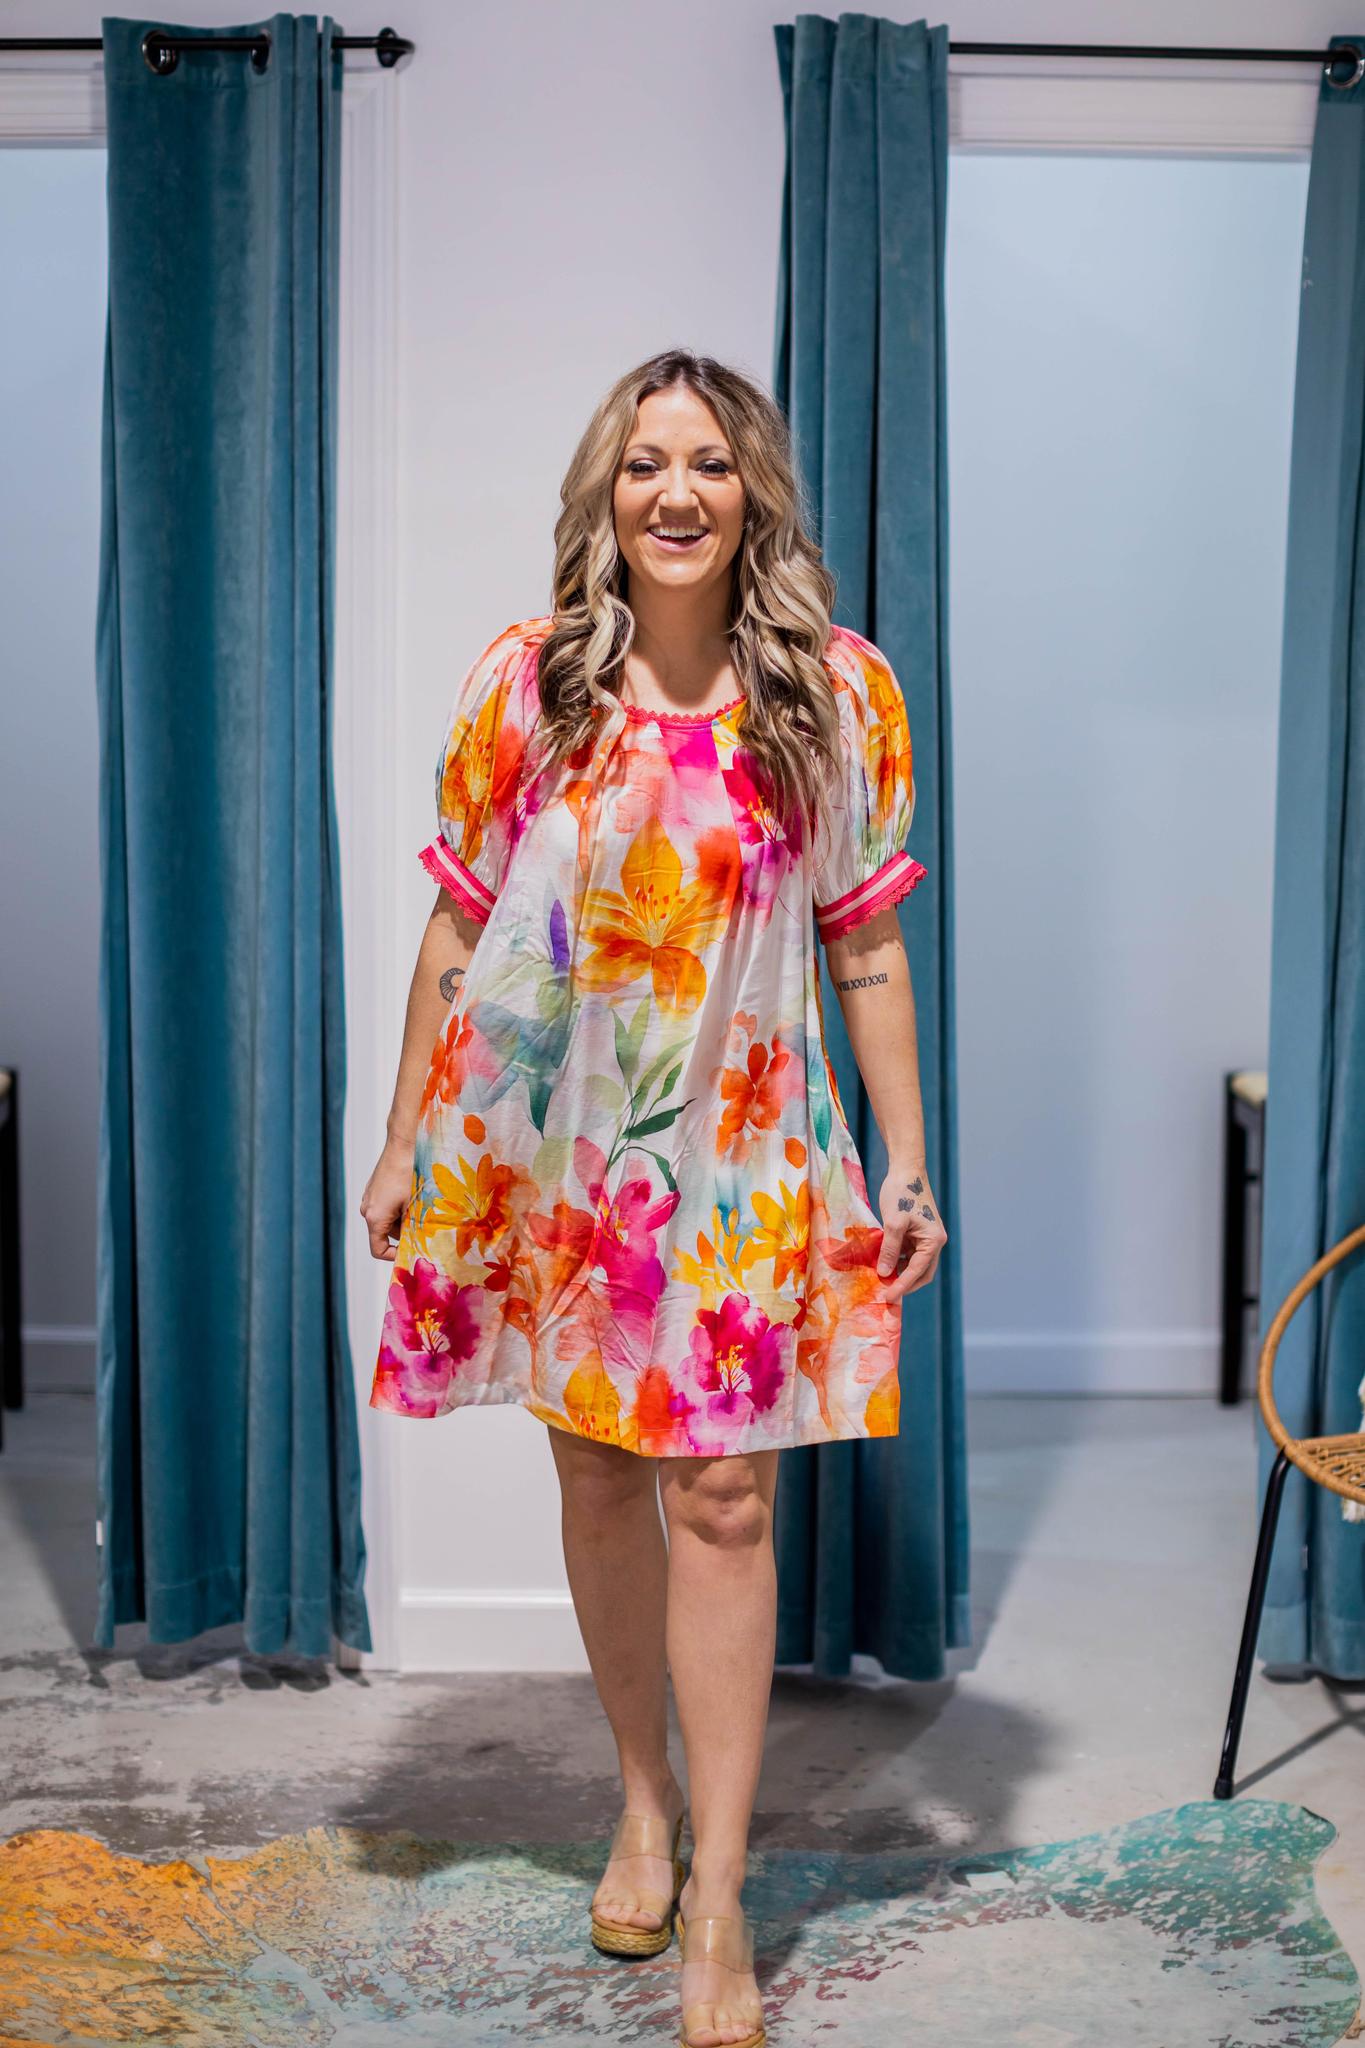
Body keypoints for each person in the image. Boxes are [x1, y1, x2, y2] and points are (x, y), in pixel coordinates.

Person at [360, 347, 946, 2048]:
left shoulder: (833, 696)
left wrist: (904, 1155)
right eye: (641, 464)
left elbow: (866, 946)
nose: (673, 492)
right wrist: (400, 1139)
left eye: (706, 462)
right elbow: (461, 928)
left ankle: (720, 1898)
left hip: (745, 1154)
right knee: (602, 1476)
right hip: (560, 1157)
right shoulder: (527, 685)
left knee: (727, 1504)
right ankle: (640, 1800)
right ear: (603, 496)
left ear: (751, 491)